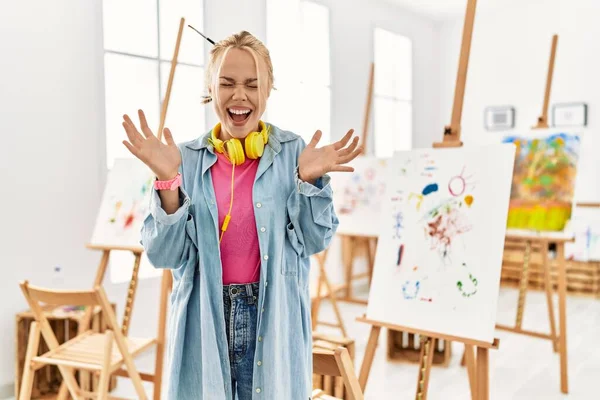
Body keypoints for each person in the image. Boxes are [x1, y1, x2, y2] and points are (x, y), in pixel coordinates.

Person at [121, 30, 362, 400]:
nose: (240, 95)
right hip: (205, 314)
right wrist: (168, 181)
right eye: (227, 83)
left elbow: (315, 241)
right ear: (211, 89)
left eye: (252, 84)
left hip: (273, 314)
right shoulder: (182, 158)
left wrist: (308, 182)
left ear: (267, 91)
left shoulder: (294, 153)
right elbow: (163, 255)